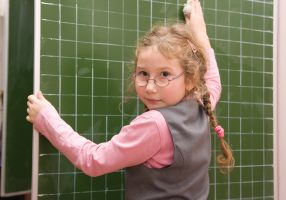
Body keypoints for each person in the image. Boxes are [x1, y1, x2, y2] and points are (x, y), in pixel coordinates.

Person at [26, 0, 234, 199]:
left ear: (190, 80)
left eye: (164, 75)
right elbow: (213, 82)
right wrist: (200, 35)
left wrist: (47, 119)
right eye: (143, 73)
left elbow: (93, 160)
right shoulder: (200, 105)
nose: (150, 87)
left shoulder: (153, 125)